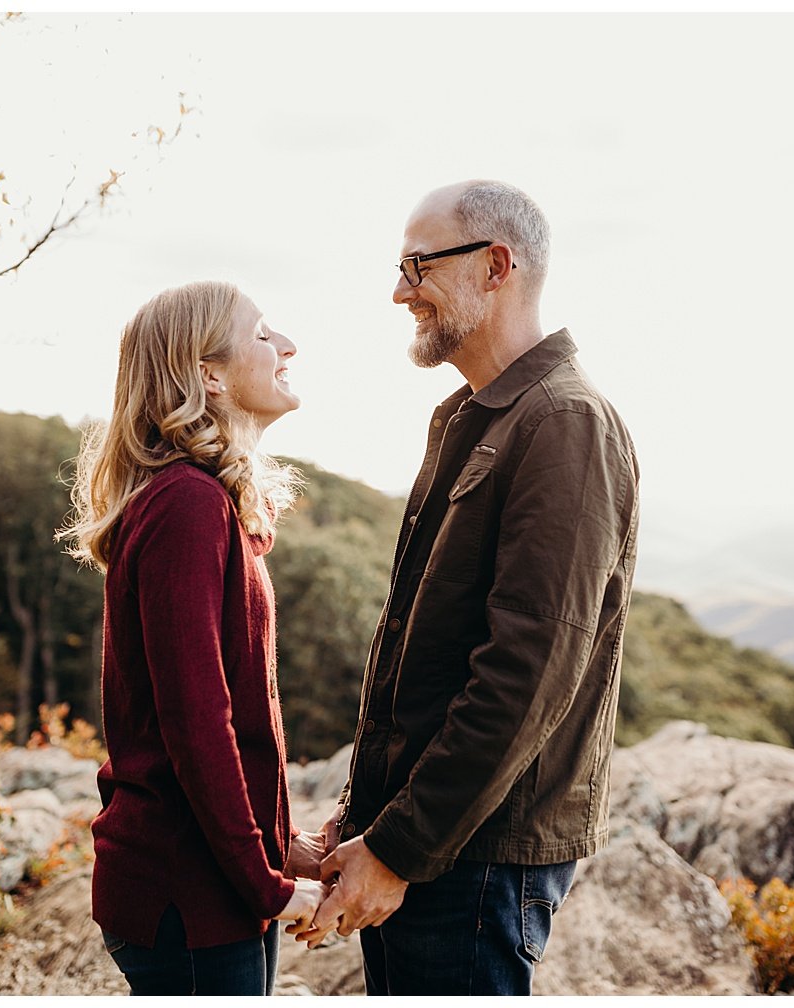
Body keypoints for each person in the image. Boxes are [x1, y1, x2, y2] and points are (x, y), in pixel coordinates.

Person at [290, 181, 641, 996]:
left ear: (496, 266)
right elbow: (432, 656)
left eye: (417, 265)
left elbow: (526, 675)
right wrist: (369, 815)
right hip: (437, 845)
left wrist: (399, 848)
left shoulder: (564, 423)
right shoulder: (475, 416)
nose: (399, 289)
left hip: (476, 862)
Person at [65, 280, 326, 995]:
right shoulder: (187, 505)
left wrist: (282, 849)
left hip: (211, 886)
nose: (287, 346)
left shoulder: (203, 502)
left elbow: (227, 718)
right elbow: (194, 724)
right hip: (189, 894)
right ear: (208, 375)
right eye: (264, 333)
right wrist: (264, 883)